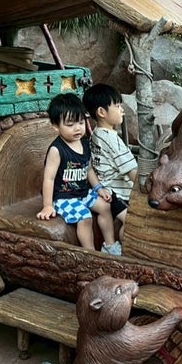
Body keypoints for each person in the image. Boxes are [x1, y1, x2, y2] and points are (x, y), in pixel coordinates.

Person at [37, 92, 122, 256]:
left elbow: (88, 169)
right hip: (63, 197)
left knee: (105, 206)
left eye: (81, 122)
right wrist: (48, 205)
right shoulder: (57, 150)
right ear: (56, 126)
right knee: (85, 217)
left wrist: (98, 188)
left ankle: (110, 245)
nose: (77, 128)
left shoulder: (84, 143)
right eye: (70, 124)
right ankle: (91, 254)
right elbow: (49, 179)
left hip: (83, 193)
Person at [83, 83, 138, 241]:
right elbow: (132, 171)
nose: (122, 110)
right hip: (117, 195)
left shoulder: (96, 134)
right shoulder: (111, 139)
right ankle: (124, 248)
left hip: (106, 190)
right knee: (133, 225)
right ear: (102, 112)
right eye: (118, 106)